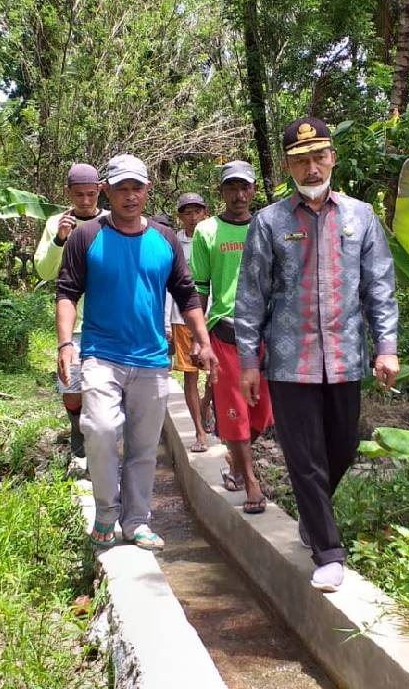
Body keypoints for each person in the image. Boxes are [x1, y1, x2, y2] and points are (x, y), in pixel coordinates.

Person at [234, 118, 399, 592]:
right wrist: (249, 362)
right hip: (290, 362)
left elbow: (379, 287)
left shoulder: (360, 217)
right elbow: (251, 297)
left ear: (332, 159)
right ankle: (328, 552)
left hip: (345, 357)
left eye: (319, 157)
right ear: (288, 166)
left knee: (342, 448)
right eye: (301, 160)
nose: (311, 168)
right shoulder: (269, 223)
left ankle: (312, 514)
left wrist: (386, 347)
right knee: (305, 458)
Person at [56, 153, 217, 551]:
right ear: (106, 191)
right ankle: (106, 513)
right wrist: (65, 344)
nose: (130, 196)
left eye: (137, 188)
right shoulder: (86, 236)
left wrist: (202, 339)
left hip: (151, 359)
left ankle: (137, 521)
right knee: (100, 430)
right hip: (101, 354)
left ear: (147, 190)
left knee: (144, 447)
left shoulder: (164, 239)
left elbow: (186, 293)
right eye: (122, 189)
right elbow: (67, 292)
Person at [192, 161, 274, 513]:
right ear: (222, 191)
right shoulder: (207, 231)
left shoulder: (266, 226)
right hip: (225, 334)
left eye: (245, 188)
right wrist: (199, 338)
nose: (239, 195)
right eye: (231, 188)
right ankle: (251, 483)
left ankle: (236, 460)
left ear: (253, 190)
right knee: (235, 410)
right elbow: (199, 287)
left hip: (266, 334)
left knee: (263, 415)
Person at [34, 163, 107, 458]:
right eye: (79, 195)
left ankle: (100, 447)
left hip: (107, 320)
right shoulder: (56, 223)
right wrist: (59, 239)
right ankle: (77, 426)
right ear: (68, 193)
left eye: (91, 194)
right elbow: (45, 271)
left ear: (100, 190)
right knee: (72, 388)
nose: (86, 200)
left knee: (104, 389)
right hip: (73, 322)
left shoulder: (111, 221)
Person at [171, 194, 214, 453]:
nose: (193, 217)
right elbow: (168, 284)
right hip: (182, 317)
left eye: (197, 211)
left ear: (205, 212)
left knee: (214, 375)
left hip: (212, 316)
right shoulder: (174, 243)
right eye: (187, 212)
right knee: (191, 374)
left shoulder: (213, 236)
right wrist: (166, 321)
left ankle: (206, 403)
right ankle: (199, 431)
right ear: (180, 216)